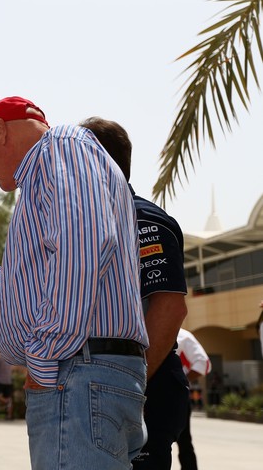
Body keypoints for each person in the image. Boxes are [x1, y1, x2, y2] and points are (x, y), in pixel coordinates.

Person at [0, 96, 148, 470]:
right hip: (89, 371)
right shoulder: (58, 164)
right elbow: (35, 284)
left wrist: (44, 361)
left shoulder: (60, 147)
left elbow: (83, 245)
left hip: (75, 374)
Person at [81, 116, 191, 470]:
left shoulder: (142, 219)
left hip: (146, 384)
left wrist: (129, 386)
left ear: (97, 162)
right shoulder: (99, 220)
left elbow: (169, 307)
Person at [176, 328, 212, 470]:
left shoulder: (183, 336)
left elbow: (203, 363)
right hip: (147, 394)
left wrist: (179, 382)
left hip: (176, 397)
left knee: (184, 442)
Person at [0, 342, 14, 420]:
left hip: (0, 380)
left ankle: (5, 402)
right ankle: (9, 415)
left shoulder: (0, 358)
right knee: (9, 398)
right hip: (9, 381)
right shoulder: (10, 358)